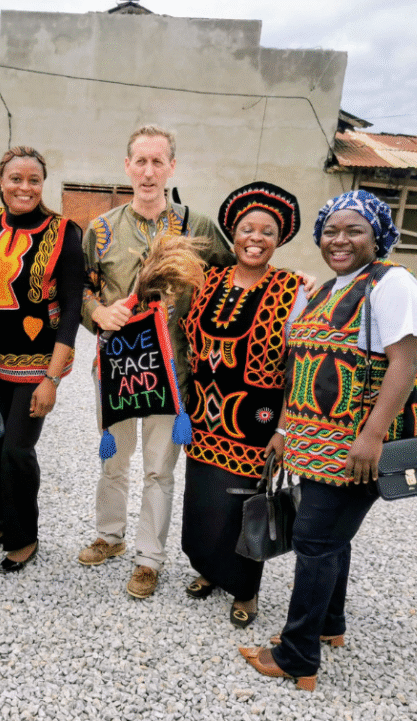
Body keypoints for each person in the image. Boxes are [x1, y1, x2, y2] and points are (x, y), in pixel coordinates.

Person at [239, 190, 417, 691]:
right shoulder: (328, 289)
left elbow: (403, 364)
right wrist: (283, 429)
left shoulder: (393, 284)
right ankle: (330, 626)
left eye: (354, 230)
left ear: (377, 236)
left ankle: (296, 657)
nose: (339, 240)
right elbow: (298, 367)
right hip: (312, 444)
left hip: (352, 450)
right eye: (331, 231)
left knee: (315, 542)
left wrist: (371, 437)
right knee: (329, 539)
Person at [79, 124, 234, 598]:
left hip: (174, 370)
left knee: (159, 469)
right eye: (140, 162)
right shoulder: (100, 229)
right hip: (119, 368)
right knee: (114, 461)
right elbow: (81, 289)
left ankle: (149, 558)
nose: (148, 172)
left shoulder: (198, 226)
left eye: (158, 161)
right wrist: (98, 312)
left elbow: (233, 278)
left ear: (172, 167)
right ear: (127, 166)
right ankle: (110, 535)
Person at [180, 181, 307, 627]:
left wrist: (285, 429)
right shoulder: (208, 281)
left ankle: (246, 591)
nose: (256, 238)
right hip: (203, 415)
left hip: (257, 420)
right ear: (233, 235)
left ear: (279, 239)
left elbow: (298, 368)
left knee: (244, 505)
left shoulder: (294, 290)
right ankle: (210, 571)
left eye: (267, 231)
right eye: (247, 228)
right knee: (203, 501)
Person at [0, 147, 84, 574]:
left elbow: (71, 307)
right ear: (1, 181)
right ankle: (1, 523)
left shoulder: (65, 231)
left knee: (17, 448)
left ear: (42, 185)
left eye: (33, 180)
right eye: (16, 178)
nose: (24, 187)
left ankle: (25, 536)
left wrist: (52, 378)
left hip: (38, 363)